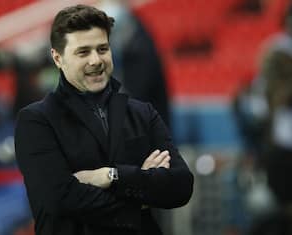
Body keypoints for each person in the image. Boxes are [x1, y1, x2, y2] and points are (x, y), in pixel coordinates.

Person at [14, 4, 193, 235]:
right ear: (57, 58)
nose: (96, 60)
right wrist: (141, 190)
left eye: (102, 49)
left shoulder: (142, 113)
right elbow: (60, 200)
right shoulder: (36, 121)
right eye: (83, 52)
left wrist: (110, 176)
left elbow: (181, 185)